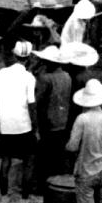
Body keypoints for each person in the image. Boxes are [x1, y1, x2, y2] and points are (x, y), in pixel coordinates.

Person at [0, 41, 39, 203]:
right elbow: (32, 106)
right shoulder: (29, 77)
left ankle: (4, 199)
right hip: (23, 125)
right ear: (29, 58)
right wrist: (35, 129)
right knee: (29, 161)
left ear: (14, 55)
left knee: (6, 160)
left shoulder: (1, 73)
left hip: (5, 125)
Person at [33, 45, 72, 180]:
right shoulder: (67, 76)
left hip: (48, 122)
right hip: (63, 120)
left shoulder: (45, 79)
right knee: (59, 154)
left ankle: (44, 183)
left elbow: (36, 101)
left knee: (45, 157)